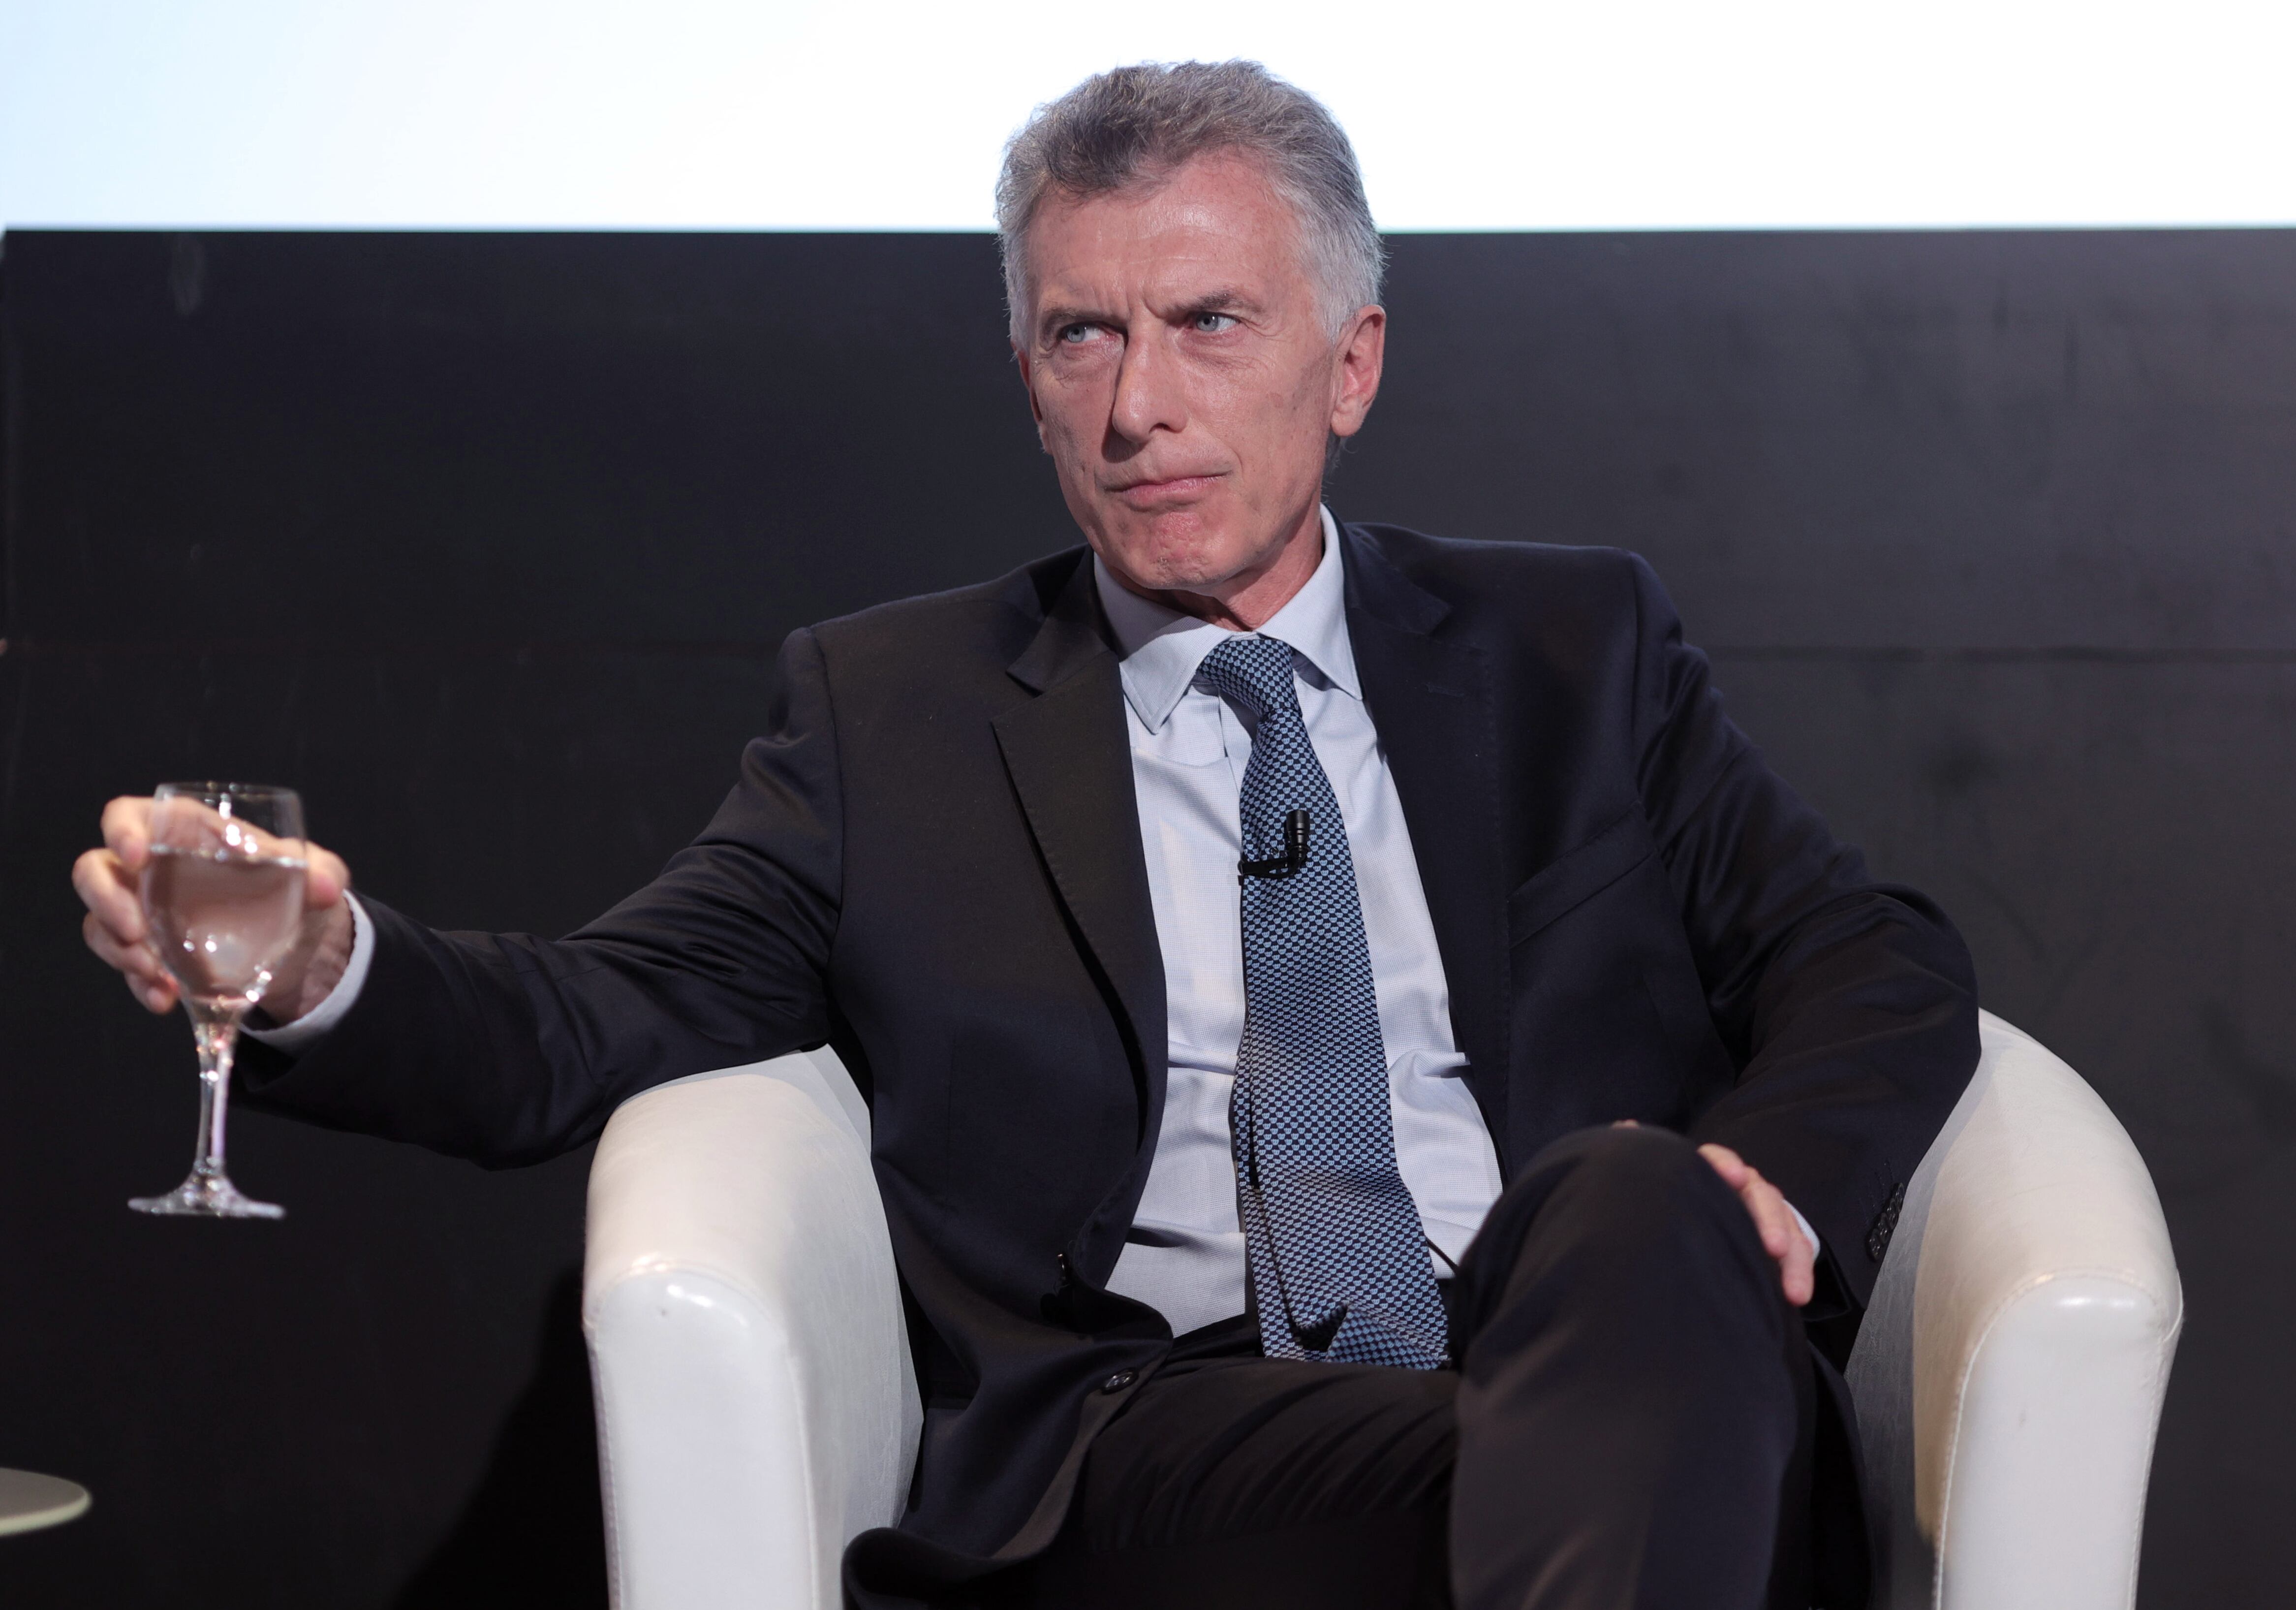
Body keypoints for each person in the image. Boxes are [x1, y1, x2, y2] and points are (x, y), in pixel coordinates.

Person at [76, 61, 1976, 1610]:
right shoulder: (892, 713)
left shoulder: (1575, 646)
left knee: (1636, 1208)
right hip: (1173, 1445)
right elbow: (586, 1022)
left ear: (1351, 362)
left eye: (1208, 323)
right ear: (1028, 383)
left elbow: (1869, 951)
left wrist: (1762, 1189)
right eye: (1082, 337)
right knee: (1639, 1483)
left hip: (1581, 1343)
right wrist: (327, 971)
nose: (1141, 405)